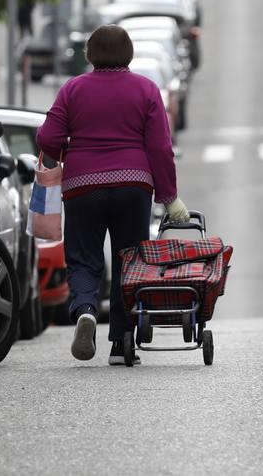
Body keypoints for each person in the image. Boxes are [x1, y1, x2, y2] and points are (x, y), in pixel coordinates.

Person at [38, 24, 189, 366]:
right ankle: (122, 342)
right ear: (129, 53)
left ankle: (86, 311)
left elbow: (48, 137)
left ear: (90, 54)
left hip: (82, 185)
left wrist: (62, 151)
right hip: (133, 185)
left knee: (83, 256)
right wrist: (169, 197)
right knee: (130, 259)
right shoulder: (146, 89)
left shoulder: (73, 89)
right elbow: (160, 148)